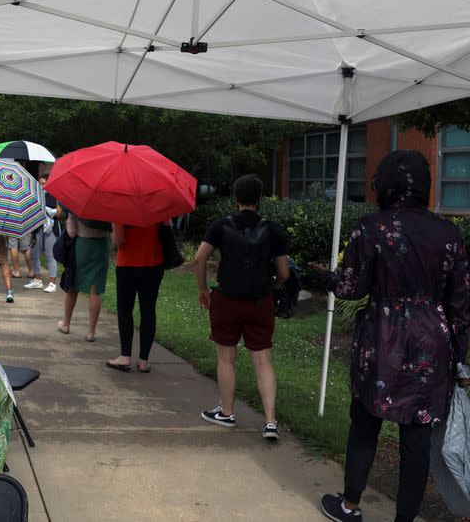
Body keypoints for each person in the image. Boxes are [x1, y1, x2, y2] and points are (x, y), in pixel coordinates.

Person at [309, 150, 470, 522]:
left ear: (386, 183)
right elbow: (461, 305)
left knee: (365, 423)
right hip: (432, 345)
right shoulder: (450, 235)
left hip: (382, 341)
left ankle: (349, 506)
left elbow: (350, 287)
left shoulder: (371, 228)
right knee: (415, 439)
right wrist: (459, 356)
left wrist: (324, 275)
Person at [194, 174, 289, 441]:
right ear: (260, 199)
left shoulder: (220, 225)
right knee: (262, 360)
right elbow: (284, 273)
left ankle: (226, 411)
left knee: (226, 358)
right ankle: (270, 421)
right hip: (260, 302)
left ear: (235, 198)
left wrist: (203, 289)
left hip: (227, 300)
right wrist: (275, 284)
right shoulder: (273, 229)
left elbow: (200, 257)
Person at [105, 223, 165, 373]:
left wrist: (113, 236)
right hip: (153, 263)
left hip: (128, 264)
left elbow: (118, 241)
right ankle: (144, 361)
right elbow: (166, 229)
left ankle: (125, 356)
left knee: (125, 310)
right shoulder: (157, 205)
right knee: (148, 310)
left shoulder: (122, 206)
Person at [57, 214, 110, 342]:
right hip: (101, 247)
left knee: (73, 285)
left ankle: (66, 324)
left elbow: (71, 232)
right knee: (95, 290)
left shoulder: (77, 205)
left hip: (82, 247)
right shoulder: (107, 206)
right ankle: (91, 332)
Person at [25, 174, 61, 293]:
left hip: (51, 229)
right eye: (39, 183)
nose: (41, 186)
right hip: (37, 229)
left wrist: (47, 210)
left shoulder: (55, 196)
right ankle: (37, 279)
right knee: (34, 254)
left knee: (51, 256)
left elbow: (60, 214)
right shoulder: (36, 196)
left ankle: (52, 283)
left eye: (43, 183)